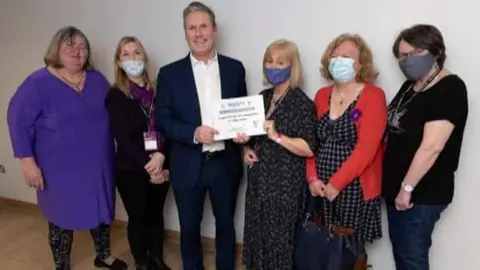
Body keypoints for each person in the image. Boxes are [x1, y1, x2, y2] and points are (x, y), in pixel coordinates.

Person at [6, 26, 127, 270]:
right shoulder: (37, 83)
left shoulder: (96, 79)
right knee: (60, 218)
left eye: (82, 46)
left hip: (98, 164)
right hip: (58, 170)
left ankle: (102, 255)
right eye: (69, 45)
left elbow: (117, 111)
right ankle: (62, 265)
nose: (77, 51)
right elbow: (16, 119)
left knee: (101, 210)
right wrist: (27, 162)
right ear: (56, 50)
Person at [155, 2, 247, 270]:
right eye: (191, 28)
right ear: (185, 34)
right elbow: (164, 119)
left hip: (225, 163)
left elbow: (241, 113)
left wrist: (244, 137)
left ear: (214, 30)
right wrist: (193, 133)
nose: (198, 33)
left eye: (203, 26)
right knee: (189, 229)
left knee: (226, 226)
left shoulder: (235, 69)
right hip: (187, 162)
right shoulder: (169, 74)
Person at [382, 24, 469, 270]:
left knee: (411, 260)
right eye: (402, 55)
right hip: (398, 192)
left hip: (418, 195)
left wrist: (406, 188)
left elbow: (432, 146)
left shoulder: (449, 88)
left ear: (436, 50)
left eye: (415, 52)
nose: (407, 60)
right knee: (403, 256)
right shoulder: (411, 86)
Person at [305, 33, 387, 268]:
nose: (339, 60)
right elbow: (312, 144)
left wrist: (336, 184)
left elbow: (367, 150)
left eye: (347, 56)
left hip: (355, 190)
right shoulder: (322, 96)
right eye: (335, 55)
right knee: (323, 244)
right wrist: (313, 178)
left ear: (360, 64)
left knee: (351, 249)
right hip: (321, 188)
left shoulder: (373, 95)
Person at [239, 39, 317, 270]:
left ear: (292, 67)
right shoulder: (261, 98)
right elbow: (251, 138)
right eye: (269, 61)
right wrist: (245, 148)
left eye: (280, 62)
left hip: (285, 186)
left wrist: (277, 136)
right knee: (257, 235)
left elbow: (309, 147)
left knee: (280, 241)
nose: (273, 67)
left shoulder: (301, 103)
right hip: (259, 182)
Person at [106, 36, 172, 270]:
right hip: (131, 169)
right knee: (139, 217)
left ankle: (157, 258)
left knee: (156, 214)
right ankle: (141, 261)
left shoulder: (159, 90)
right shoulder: (115, 95)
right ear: (119, 62)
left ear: (144, 57)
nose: (133, 57)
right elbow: (122, 137)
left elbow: (168, 126)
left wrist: (161, 157)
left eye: (137, 52)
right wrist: (149, 164)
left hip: (162, 161)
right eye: (126, 54)